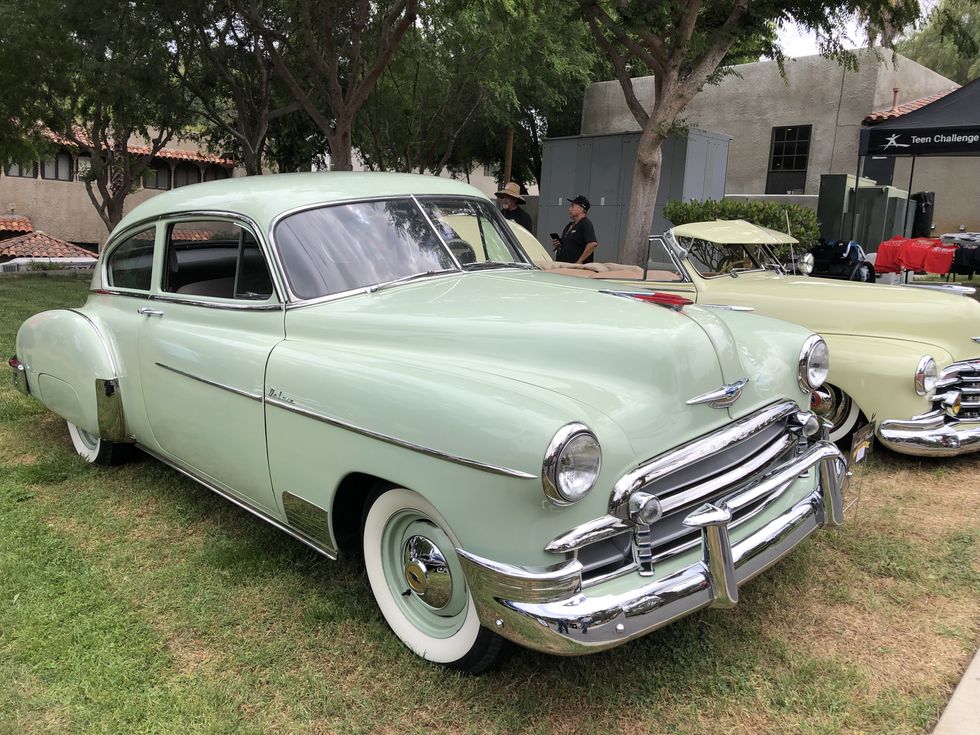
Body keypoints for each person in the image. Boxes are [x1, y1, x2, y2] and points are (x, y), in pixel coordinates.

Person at [552, 195, 597, 264]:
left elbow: (592, 244)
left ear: (581, 209)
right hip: (564, 266)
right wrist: (559, 245)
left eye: (572, 206)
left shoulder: (585, 223)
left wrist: (579, 261)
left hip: (576, 269)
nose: (569, 209)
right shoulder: (570, 225)